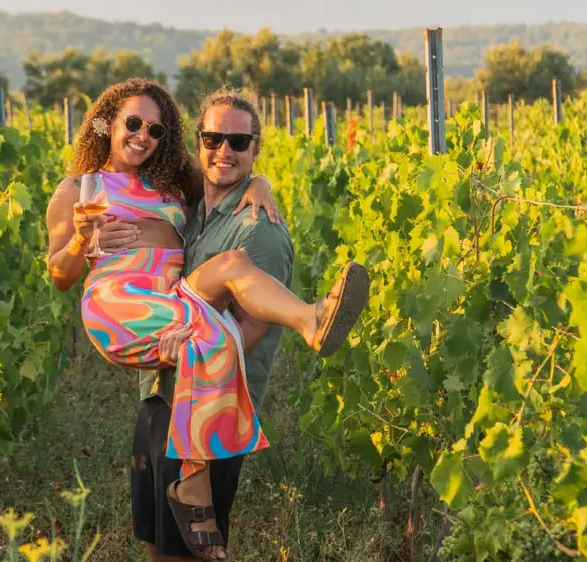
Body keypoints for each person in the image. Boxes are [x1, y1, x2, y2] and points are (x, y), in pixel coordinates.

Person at [44, 78, 369, 562]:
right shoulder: (76, 189)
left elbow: (230, 175)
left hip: (174, 308)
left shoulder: (172, 184)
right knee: (212, 335)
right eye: (132, 123)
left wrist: (261, 183)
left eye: (156, 130)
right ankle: (192, 484)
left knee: (232, 265)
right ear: (106, 123)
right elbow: (59, 275)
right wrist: (79, 240)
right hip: (119, 304)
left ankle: (310, 319)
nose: (143, 136)